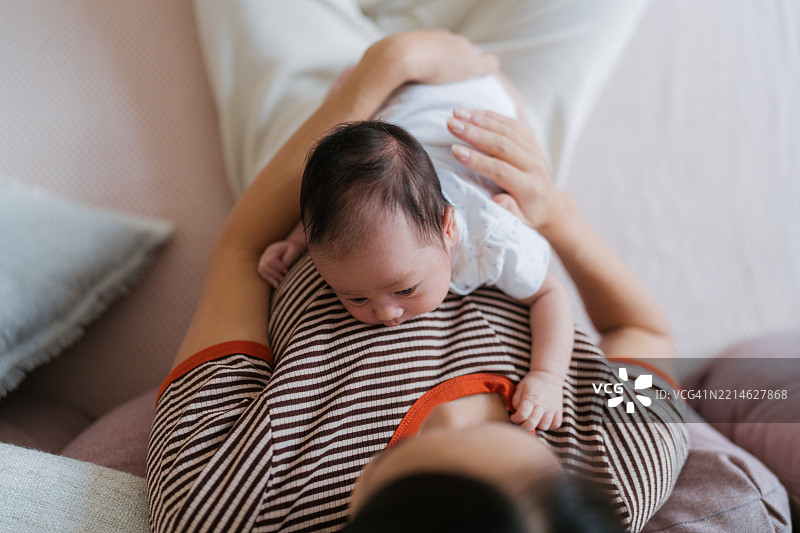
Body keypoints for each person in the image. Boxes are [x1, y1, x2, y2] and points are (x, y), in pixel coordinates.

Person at [149, 2, 687, 532]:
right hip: (492, 154)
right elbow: (637, 329)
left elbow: (241, 251)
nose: (447, 424)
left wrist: (386, 68)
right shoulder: (615, 483)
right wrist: (554, 210)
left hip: (315, 168)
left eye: (386, 463)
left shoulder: (222, 506)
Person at [258, 74, 573, 432]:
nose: (387, 313)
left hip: (477, 99)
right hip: (402, 116)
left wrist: (547, 377)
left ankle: (492, 76)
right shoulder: (379, 235)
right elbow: (329, 216)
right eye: (356, 297)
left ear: (448, 227)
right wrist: (295, 242)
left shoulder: (493, 239)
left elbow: (550, 294)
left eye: (405, 289)